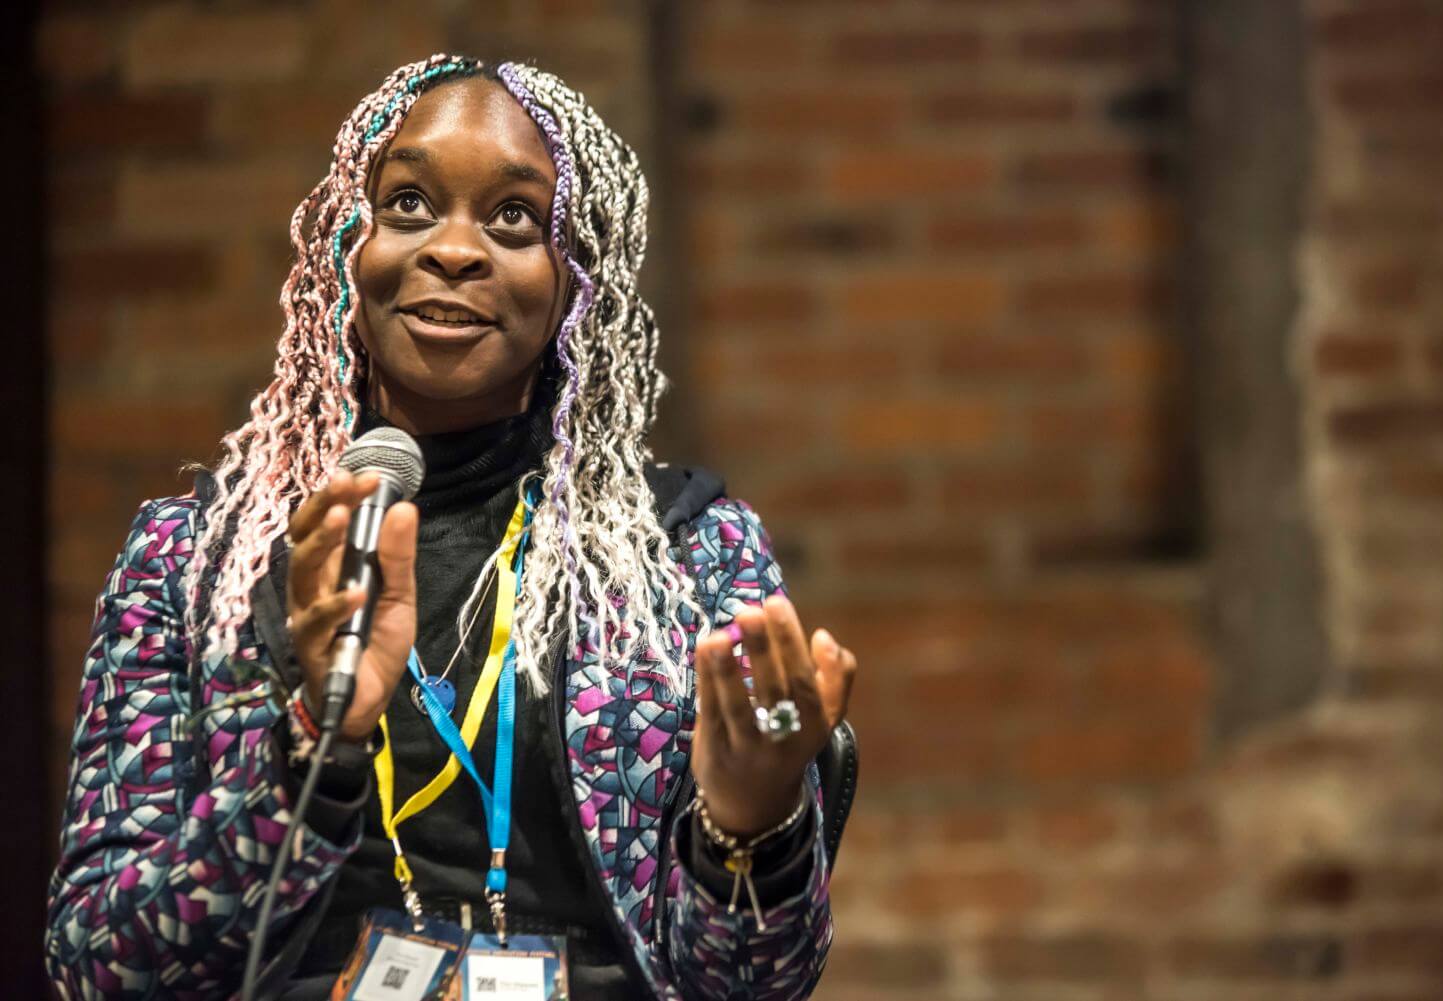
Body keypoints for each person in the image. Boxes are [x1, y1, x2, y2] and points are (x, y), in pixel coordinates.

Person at [45, 54, 857, 1000]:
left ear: (576, 281)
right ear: (345, 248)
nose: (456, 249)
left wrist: (749, 826)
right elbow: (99, 963)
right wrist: (310, 750)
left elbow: (756, 982)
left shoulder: (683, 555)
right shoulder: (195, 562)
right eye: (408, 204)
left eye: (514, 217)